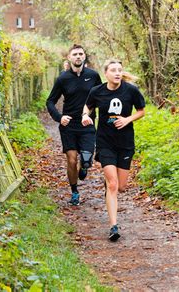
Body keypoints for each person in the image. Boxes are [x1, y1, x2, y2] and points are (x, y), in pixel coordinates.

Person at [81, 59, 145, 241]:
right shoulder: (97, 91)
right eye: (113, 70)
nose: (117, 73)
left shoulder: (130, 90)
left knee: (122, 186)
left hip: (125, 143)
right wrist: (85, 116)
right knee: (113, 185)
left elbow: (141, 111)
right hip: (105, 142)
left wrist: (127, 120)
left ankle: (110, 187)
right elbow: (88, 106)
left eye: (120, 70)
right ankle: (113, 226)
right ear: (106, 74)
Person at [46, 44, 102, 205]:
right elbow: (50, 101)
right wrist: (59, 117)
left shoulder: (93, 76)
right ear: (69, 58)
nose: (78, 56)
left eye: (80, 54)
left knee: (85, 159)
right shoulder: (63, 79)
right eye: (75, 54)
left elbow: (101, 97)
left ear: (84, 57)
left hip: (87, 124)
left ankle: (84, 166)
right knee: (71, 160)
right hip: (69, 125)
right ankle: (75, 192)